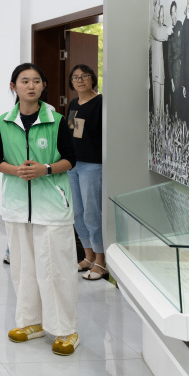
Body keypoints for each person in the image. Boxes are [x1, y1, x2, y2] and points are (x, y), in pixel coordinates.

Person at [0, 63, 79, 356]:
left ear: (43, 86)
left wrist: (45, 169)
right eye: (24, 81)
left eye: (36, 81)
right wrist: (15, 170)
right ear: (13, 86)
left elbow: (70, 159)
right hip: (17, 207)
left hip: (52, 208)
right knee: (23, 269)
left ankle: (66, 330)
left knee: (55, 271)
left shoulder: (56, 120)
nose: (31, 86)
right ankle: (31, 323)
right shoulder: (4, 121)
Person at [66, 65, 105, 281]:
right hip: (73, 165)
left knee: (92, 212)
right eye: (75, 77)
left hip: (92, 165)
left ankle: (101, 261)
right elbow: (73, 132)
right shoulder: (73, 104)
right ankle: (88, 257)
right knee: (77, 212)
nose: (80, 80)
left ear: (92, 79)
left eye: (84, 76)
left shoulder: (101, 103)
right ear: (71, 82)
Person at [151, 0, 170, 117]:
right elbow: (158, 33)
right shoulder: (153, 23)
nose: (159, 6)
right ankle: (158, 122)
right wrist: (168, 30)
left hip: (160, 70)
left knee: (161, 102)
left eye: (160, 3)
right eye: (157, 3)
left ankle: (161, 123)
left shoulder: (158, 23)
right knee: (157, 101)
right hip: (156, 71)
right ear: (154, 6)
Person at [169, 1, 183, 118]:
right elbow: (169, 58)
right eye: (172, 13)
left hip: (182, 67)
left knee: (183, 97)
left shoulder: (180, 25)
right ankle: (175, 121)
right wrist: (171, 80)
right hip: (174, 69)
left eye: (175, 11)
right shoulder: (169, 33)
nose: (174, 15)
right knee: (175, 99)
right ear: (170, 15)